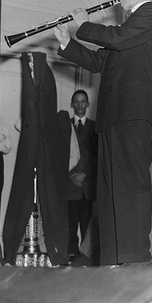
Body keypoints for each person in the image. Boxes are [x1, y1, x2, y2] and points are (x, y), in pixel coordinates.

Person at [53, 0, 152, 268]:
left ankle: (136, 259)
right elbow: (98, 60)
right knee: (110, 192)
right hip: (112, 116)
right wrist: (67, 41)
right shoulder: (128, 30)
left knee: (130, 185)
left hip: (132, 113)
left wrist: (85, 25)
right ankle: (114, 261)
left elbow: (115, 38)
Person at [58, 90, 98, 265]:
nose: (80, 105)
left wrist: (84, 174)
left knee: (87, 224)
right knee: (70, 224)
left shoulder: (95, 127)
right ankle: (71, 256)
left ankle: (86, 258)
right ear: (72, 105)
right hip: (69, 185)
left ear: (88, 104)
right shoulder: (64, 126)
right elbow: (59, 155)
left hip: (87, 186)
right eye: (77, 102)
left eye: (83, 102)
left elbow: (96, 156)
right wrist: (72, 176)